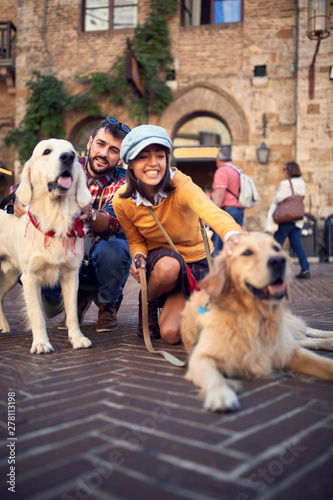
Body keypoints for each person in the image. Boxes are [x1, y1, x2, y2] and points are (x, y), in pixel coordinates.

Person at [113, 125, 242, 345]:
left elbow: (210, 211)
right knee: (169, 267)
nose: (154, 163)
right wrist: (138, 258)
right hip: (163, 264)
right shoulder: (122, 201)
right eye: (143, 157)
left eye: (160, 156)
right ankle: (148, 300)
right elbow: (135, 241)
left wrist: (232, 235)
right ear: (131, 164)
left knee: (172, 334)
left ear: (167, 159)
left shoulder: (181, 184)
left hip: (197, 263)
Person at [12, 117, 132, 331]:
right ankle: (73, 298)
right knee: (25, 253)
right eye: (101, 144)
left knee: (115, 248)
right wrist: (18, 199)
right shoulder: (66, 162)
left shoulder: (124, 183)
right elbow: (27, 182)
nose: (104, 154)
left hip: (100, 263)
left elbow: (112, 221)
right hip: (63, 257)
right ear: (90, 143)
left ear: (120, 158)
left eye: (114, 150)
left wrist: (90, 214)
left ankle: (107, 303)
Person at [272, 161, 310, 279]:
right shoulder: (302, 183)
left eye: (284, 169)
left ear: (289, 170)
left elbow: (278, 198)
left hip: (286, 218)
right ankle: (305, 269)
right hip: (297, 219)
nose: (283, 171)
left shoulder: (285, 184)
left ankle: (271, 270)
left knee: (275, 244)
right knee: (297, 245)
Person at [211, 146, 244, 255]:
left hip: (226, 211)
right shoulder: (238, 170)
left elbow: (220, 194)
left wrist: (213, 212)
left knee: (219, 245)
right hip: (238, 210)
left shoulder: (222, 171)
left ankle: (217, 269)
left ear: (218, 159)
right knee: (236, 243)